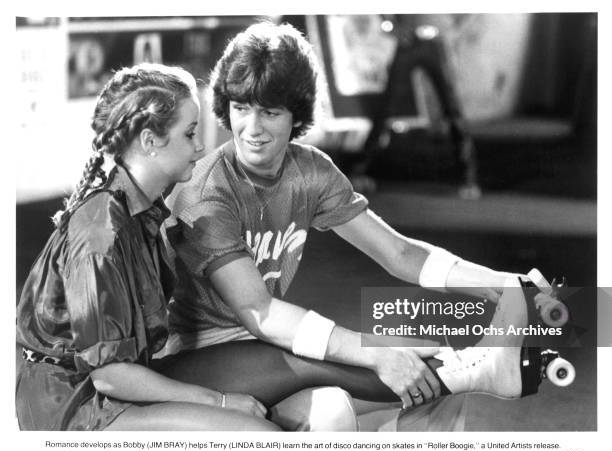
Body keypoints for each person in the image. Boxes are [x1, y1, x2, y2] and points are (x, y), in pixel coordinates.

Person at [159, 22, 548, 430]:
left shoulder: (309, 171)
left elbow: (399, 253)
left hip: (268, 350)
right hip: (196, 364)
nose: (252, 129)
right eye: (241, 109)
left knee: (426, 369)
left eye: (270, 112)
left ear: (296, 114)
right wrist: (375, 354)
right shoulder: (206, 193)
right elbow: (261, 311)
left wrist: (500, 283)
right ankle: (476, 371)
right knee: (436, 371)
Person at [15, 63, 286, 431]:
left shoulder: (141, 209)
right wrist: (220, 402)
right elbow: (109, 376)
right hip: (75, 404)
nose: (201, 145)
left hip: (127, 373)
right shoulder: (100, 234)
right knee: (259, 435)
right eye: (190, 133)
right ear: (149, 141)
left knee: (283, 363)